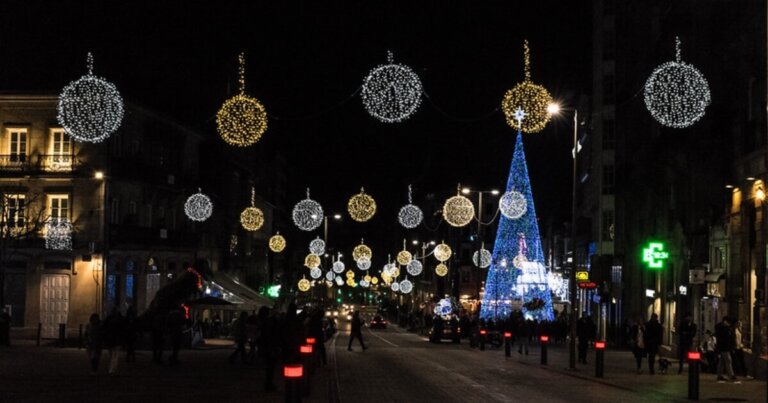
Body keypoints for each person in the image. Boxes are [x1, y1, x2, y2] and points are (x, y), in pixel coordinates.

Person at [715, 316, 739, 383]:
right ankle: (731, 375)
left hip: (724, 347)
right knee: (728, 360)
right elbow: (725, 337)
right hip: (724, 347)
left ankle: (719, 375)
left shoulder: (725, 327)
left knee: (722, 361)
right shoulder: (723, 328)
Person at [103, 307, 124, 376]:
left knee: (113, 355)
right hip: (116, 339)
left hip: (111, 339)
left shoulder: (109, 319)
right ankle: (114, 368)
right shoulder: (120, 319)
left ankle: (112, 369)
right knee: (115, 355)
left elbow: (105, 328)